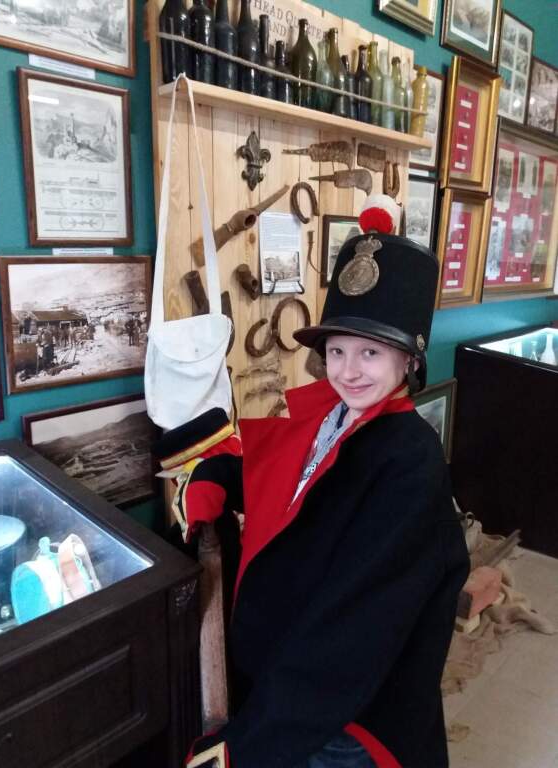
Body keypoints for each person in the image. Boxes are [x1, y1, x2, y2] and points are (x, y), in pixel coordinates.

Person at [158, 232, 470, 768]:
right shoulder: (336, 415)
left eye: (370, 352)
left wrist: (249, 742)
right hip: (284, 680)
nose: (348, 371)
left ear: (409, 358)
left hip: (339, 717)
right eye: (337, 351)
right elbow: (292, 481)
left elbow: (352, 632)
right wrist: (216, 476)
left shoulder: (409, 464)